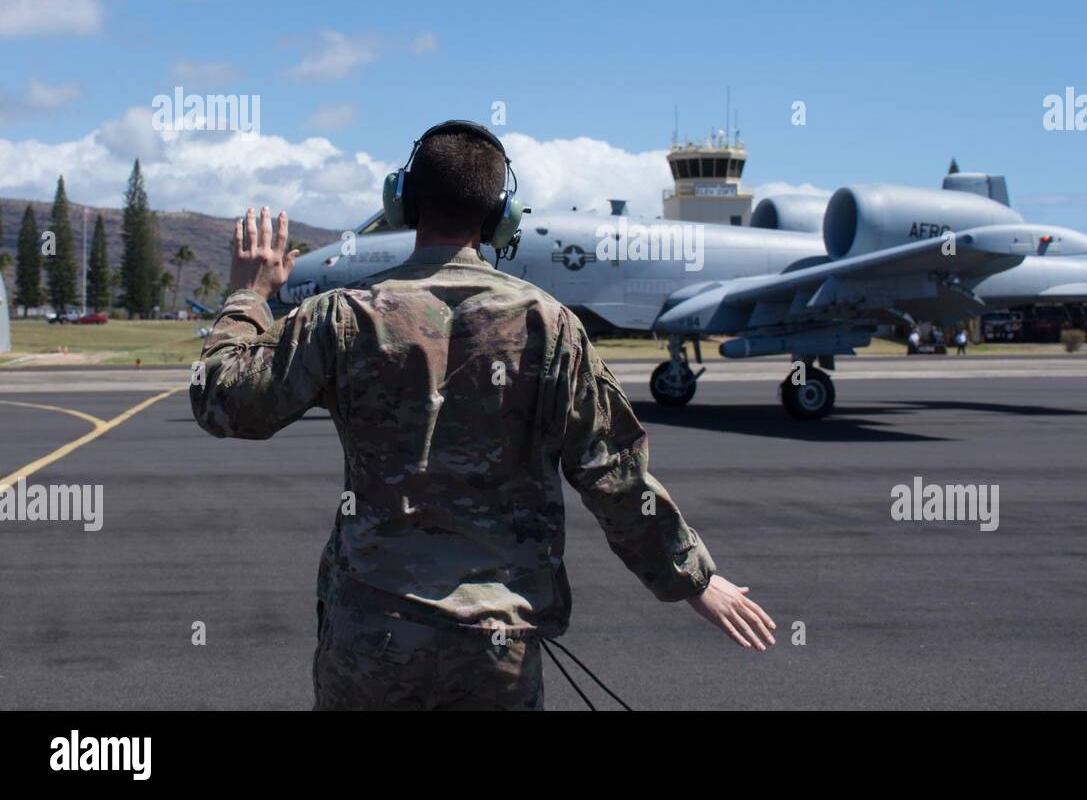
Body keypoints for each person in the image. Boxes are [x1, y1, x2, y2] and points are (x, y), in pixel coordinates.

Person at [190, 121, 775, 711]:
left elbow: (224, 402)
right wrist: (692, 579)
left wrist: (249, 297)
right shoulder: (551, 326)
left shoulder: (342, 316)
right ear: (503, 216)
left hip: (371, 634)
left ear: (404, 203)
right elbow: (614, 474)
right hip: (497, 643)